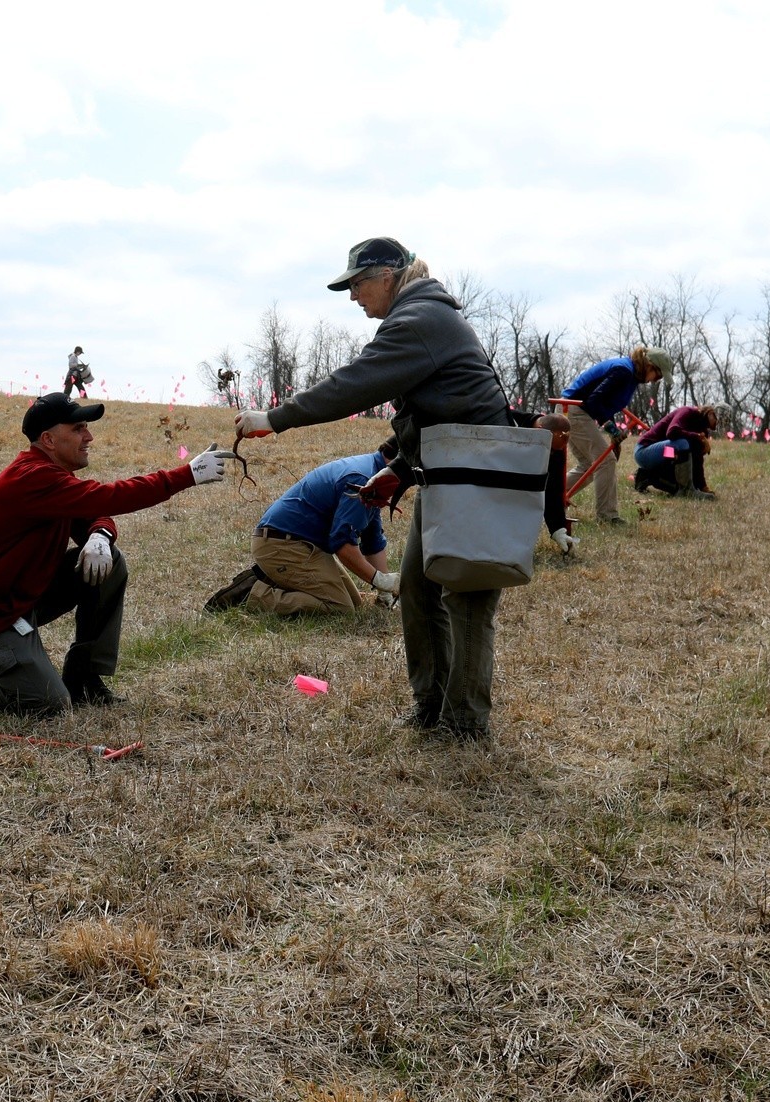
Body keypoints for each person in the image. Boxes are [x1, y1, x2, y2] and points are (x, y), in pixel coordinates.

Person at [233, 236, 512, 741]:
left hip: (477, 479)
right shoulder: (421, 318)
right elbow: (439, 412)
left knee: (467, 601)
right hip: (447, 477)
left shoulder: (419, 319)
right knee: (420, 591)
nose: (353, 295)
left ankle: (465, 725)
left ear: (387, 276)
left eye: (358, 283)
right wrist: (401, 469)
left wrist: (274, 418)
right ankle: (431, 706)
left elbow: (355, 384)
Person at [0, 393, 232, 714]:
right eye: (77, 429)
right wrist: (188, 474)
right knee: (48, 705)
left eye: (86, 427)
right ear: (48, 439)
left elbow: (94, 509)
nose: (89, 437)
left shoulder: (53, 477)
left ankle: (84, 678)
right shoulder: (33, 478)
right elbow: (110, 497)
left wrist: (100, 534)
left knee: (110, 562)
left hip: (16, 599)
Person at [205, 440, 401, 615]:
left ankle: (275, 579)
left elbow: (372, 539)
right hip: (281, 545)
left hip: (302, 545)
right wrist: (379, 579)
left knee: (354, 603)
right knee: (340, 607)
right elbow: (343, 545)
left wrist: (385, 591)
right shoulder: (362, 477)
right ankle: (250, 593)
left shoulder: (375, 475)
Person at [560, 347, 669, 523]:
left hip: (574, 410)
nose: (654, 381)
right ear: (650, 366)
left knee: (589, 465)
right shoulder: (623, 371)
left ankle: (548, 498)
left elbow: (606, 402)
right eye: (657, 376)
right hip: (573, 410)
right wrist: (611, 428)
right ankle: (607, 517)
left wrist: (612, 430)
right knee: (606, 461)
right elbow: (594, 400)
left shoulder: (630, 374)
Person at [632, 405, 720, 498]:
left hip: (664, 454)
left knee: (682, 475)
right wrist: (698, 436)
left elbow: (697, 460)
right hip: (644, 451)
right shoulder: (687, 412)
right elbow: (671, 432)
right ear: (710, 413)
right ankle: (687, 490)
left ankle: (646, 476)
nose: (718, 423)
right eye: (717, 418)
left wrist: (703, 487)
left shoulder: (702, 431)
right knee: (682, 443)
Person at [532, 414, 579, 554]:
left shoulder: (557, 450)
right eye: (551, 449)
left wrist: (558, 528)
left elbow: (553, 489)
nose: (553, 453)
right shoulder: (510, 421)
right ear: (541, 431)